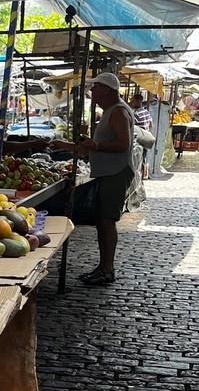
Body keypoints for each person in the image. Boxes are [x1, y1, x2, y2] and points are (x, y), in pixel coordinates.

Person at [52, 71, 136, 286]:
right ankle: (103, 267)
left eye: (95, 88)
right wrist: (67, 146)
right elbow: (90, 149)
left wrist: (96, 145)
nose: (92, 92)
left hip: (115, 173)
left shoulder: (118, 112)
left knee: (107, 221)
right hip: (107, 173)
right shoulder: (110, 111)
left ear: (107, 89)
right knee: (102, 221)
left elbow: (124, 144)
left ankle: (107, 269)